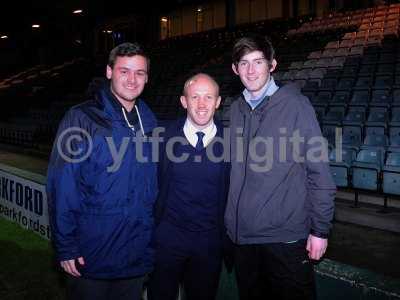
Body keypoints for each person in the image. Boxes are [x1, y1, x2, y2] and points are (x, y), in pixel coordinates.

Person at [224, 34, 336, 299]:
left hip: (284, 239)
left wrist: (320, 230)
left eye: (258, 62)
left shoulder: (296, 105)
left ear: (272, 65)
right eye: (243, 63)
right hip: (244, 240)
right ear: (234, 69)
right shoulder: (235, 110)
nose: (251, 70)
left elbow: (319, 172)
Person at [46, 42, 158, 300]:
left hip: (136, 258)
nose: (132, 79)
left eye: (139, 73)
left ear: (147, 78)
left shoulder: (150, 125)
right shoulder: (81, 119)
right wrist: (66, 246)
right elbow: (62, 187)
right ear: (109, 72)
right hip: (91, 258)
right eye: (124, 71)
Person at [147, 73, 230, 300]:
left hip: (209, 242)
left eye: (208, 97)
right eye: (195, 97)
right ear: (184, 101)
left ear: (218, 102)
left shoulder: (234, 142)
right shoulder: (161, 137)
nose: (202, 104)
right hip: (168, 238)